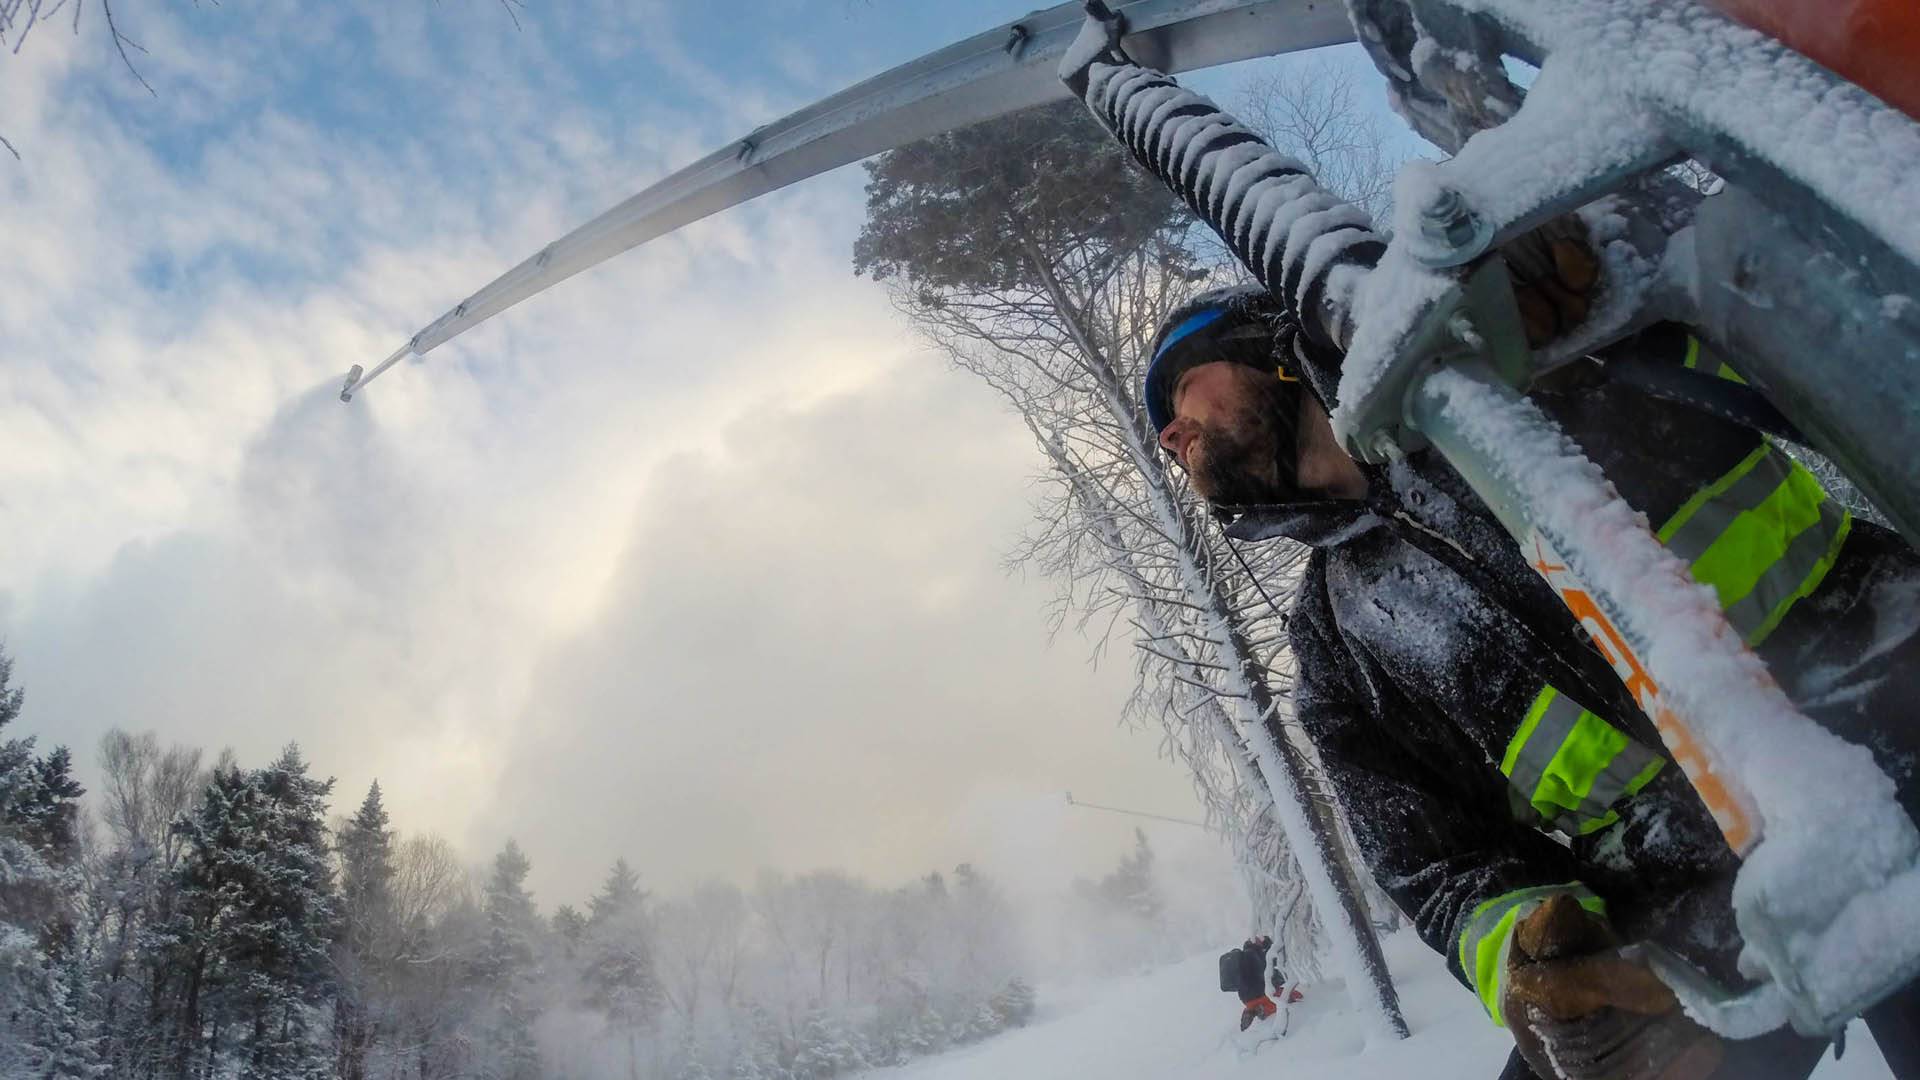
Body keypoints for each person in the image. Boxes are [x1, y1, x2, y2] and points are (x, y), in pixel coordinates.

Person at [1058, 13, 1920, 1080]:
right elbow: (1431, 857)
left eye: (1182, 392)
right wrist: (1529, 946)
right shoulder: (1335, 641)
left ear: (1273, 351)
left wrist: (1612, 285)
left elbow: (1797, 343)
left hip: (1897, 697)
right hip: (1697, 913)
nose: (1172, 434)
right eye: (1166, 435)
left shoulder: (1523, 355)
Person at [1223, 934, 1305, 1031]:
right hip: (1262, 994)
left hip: (1246, 1000)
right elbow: (1266, 974)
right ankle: (1261, 1010)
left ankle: (1251, 1010)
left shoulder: (1241, 960)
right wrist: (1282, 979)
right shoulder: (1254, 955)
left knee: (1258, 1002)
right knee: (1294, 996)